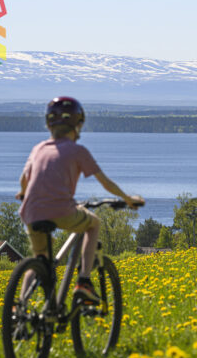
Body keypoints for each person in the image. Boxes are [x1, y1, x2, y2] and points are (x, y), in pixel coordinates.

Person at [16, 96, 143, 304]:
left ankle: (19, 307)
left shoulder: (38, 149)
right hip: (61, 210)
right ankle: (83, 281)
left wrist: (23, 194)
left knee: (41, 259)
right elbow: (105, 182)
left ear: (49, 124)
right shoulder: (78, 151)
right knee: (94, 223)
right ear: (78, 125)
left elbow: (24, 179)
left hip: (31, 211)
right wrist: (127, 199)